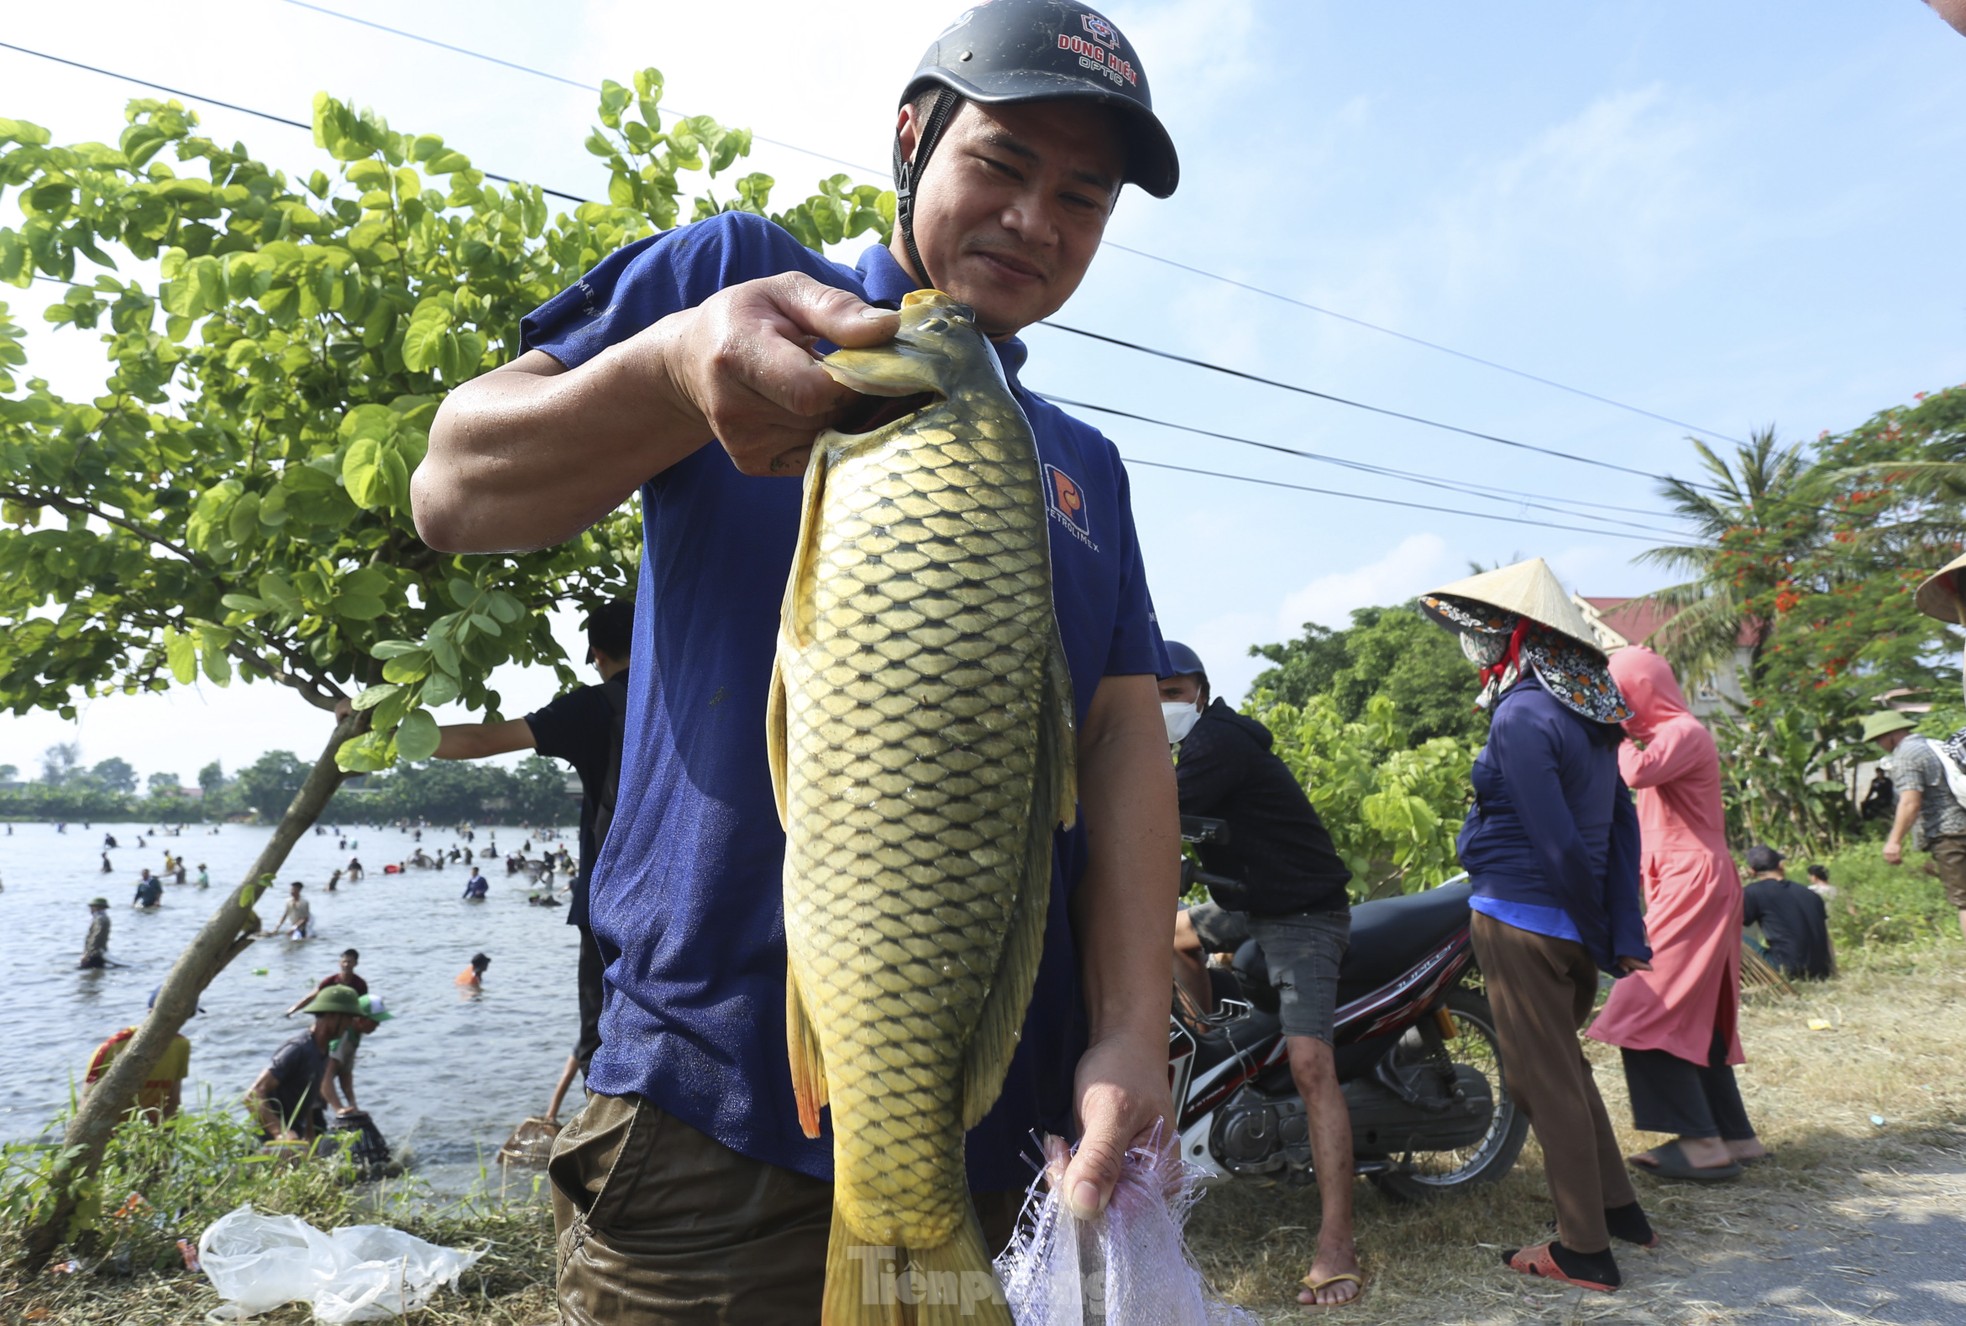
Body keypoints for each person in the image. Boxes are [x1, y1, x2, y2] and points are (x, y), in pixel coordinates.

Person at [415, 2, 1182, 1315]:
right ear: (911, 139)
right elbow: (456, 488)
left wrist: (1125, 1025)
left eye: (1082, 196)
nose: (1035, 220)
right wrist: (665, 369)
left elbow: (1119, 743)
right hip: (704, 1106)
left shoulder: (1083, 467)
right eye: (998, 164)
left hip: (1002, 1112)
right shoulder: (740, 285)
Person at [1420, 559, 1653, 1294]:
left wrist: (1589, 926)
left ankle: (1583, 1249)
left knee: (1537, 1081)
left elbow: (1554, 842)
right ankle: (1620, 1213)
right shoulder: (1587, 713)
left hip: (1522, 918)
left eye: (1478, 631)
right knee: (1565, 1070)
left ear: (1515, 634)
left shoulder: (1522, 715)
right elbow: (1619, 831)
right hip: (1562, 920)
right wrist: (1614, 929)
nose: (1471, 643)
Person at [1158, 641, 1361, 1306]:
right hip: (1251, 906)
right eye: (1152, 690)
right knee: (1171, 938)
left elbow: (1155, 818)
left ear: (1201, 691)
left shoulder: (1217, 742)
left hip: (1304, 916)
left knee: (1311, 1065)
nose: (1164, 701)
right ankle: (1217, 1036)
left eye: (1174, 689)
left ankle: (1337, 1245)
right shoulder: (1200, 742)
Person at [1588, 647, 1761, 1182]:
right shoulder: (1674, 734)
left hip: (1694, 881)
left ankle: (1702, 1142)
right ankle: (1734, 1135)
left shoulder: (1682, 733)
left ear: (1639, 691)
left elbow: (1635, 774)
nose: (1615, 706)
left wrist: (1606, 726)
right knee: (1696, 1006)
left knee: (1645, 1002)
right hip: (1693, 880)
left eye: (1618, 695)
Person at [1867, 709, 1966, 943]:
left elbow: (1910, 802)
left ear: (1890, 735)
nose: (1879, 744)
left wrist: (1894, 841)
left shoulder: (1907, 755)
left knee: (1963, 900)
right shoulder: (1932, 744)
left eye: (1878, 739)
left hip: (1948, 833)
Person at [247, 984, 360, 1144]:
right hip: (267, 1143)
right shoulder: (298, 1049)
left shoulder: (323, 1051)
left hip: (294, 1139)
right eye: (348, 1017)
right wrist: (279, 1133)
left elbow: (306, 1099)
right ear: (332, 1015)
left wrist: (310, 1137)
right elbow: (253, 1095)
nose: (350, 1024)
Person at [84, 988, 197, 1123]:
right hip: (117, 1135)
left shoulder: (181, 1045)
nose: (179, 1022)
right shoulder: (112, 1048)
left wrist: (163, 1137)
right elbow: (87, 1106)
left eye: (187, 1015)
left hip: (153, 1134)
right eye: (174, 1015)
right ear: (151, 1014)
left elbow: (173, 1102)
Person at [1742, 846, 1834, 980]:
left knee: (1728, 934)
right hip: (1821, 971)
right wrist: (1833, 972)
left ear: (1752, 871)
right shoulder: (1811, 894)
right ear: (1781, 865)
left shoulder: (1752, 892)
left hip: (1786, 969)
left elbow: (1737, 924)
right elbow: (1826, 937)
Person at [321, 994, 394, 1118]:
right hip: (303, 1090)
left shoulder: (356, 1034)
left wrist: (352, 1105)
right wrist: (338, 1108)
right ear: (360, 1019)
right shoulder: (341, 1037)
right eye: (375, 1021)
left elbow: (345, 1073)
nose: (378, 1025)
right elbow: (324, 1077)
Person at [285, 949, 368, 1016]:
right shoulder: (330, 981)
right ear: (339, 963)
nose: (346, 965)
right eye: (344, 962)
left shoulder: (360, 984)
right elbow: (311, 997)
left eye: (349, 962)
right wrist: (292, 1010)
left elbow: (364, 1005)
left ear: (356, 964)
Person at [79, 897, 111, 969]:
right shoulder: (103, 917)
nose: (90, 909)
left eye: (92, 907)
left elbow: (96, 937)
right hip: (100, 952)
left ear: (98, 907)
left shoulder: (100, 919)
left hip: (94, 953)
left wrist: (88, 953)